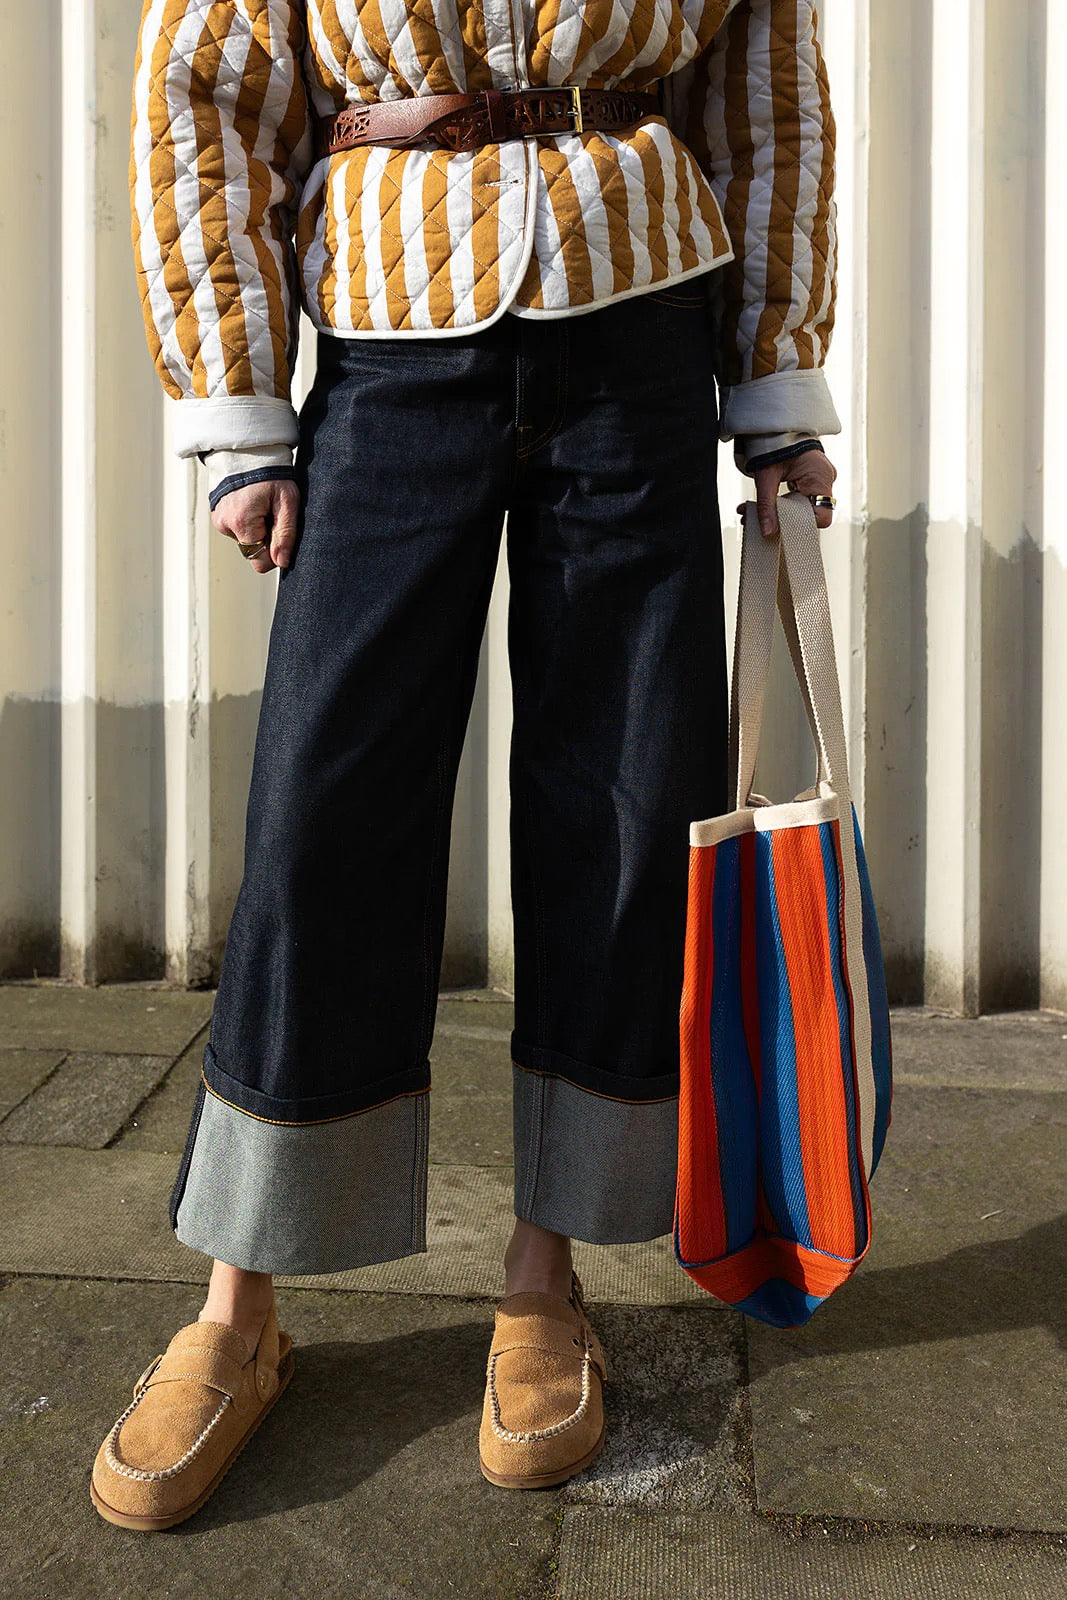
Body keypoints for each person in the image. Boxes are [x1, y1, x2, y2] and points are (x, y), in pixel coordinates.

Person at [91, 0, 839, 1529]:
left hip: (636, 340)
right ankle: (239, 1301)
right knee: (324, 810)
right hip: (384, 346)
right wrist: (241, 406)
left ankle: (545, 1274)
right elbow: (206, 92)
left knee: (627, 803)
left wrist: (774, 382)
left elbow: (767, 103)